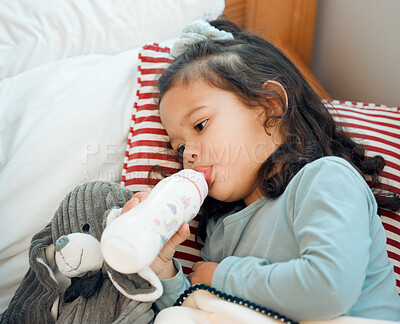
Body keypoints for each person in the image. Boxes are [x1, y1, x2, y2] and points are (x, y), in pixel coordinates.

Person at [122, 19, 400, 321]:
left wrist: (221, 275)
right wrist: (164, 270)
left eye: (200, 125)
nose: (188, 153)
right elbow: (205, 314)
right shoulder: (219, 234)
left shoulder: (326, 179)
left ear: (269, 106)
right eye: (178, 147)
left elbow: (329, 289)